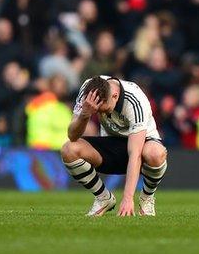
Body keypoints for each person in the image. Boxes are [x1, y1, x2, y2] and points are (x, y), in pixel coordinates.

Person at [60, 76, 168, 217]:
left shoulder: (135, 101)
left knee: (155, 153)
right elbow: (72, 136)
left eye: (104, 109)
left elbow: (135, 154)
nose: (101, 113)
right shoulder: (88, 90)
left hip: (141, 146)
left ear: (115, 96)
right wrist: (85, 114)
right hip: (111, 143)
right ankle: (103, 198)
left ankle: (147, 198)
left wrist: (128, 198)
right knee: (69, 149)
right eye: (97, 111)